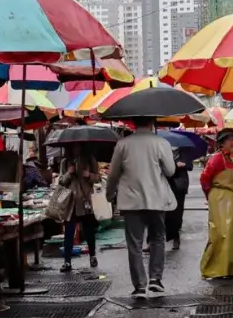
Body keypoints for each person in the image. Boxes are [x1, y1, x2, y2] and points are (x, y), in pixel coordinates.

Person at [106, 117, 176, 299]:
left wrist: (109, 194)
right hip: (156, 199)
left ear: (133, 123)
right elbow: (170, 171)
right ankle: (155, 279)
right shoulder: (162, 142)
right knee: (158, 239)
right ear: (152, 123)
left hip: (131, 201)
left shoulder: (123, 144)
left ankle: (139, 286)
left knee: (135, 244)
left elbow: (113, 174)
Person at [200, 129, 233, 279]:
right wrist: (210, 196)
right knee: (219, 233)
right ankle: (212, 268)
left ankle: (230, 269)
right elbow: (205, 178)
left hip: (232, 198)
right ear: (222, 143)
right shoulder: (216, 159)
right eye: (229, 140)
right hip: (219, 197)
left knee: (231, 234)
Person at [58, 144, 100, 272]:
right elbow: (61, 181)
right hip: (70, 202)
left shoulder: (89, 159)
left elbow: (98, 178)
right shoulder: (65, 162)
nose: (76, 148)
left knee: (88, 231)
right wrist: (68, 174)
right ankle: (67, 261)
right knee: (69, 232)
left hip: (84, 201)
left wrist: (88, 175)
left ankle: (92, 255)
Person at [165, 147, 192, 251]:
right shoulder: (163, 152)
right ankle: (152, 241)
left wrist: (184, 165)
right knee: (159, 212)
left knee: (176, 212)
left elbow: (190, 166)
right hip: (165, 184)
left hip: (179, 185)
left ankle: (175, 238)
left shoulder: (183, 152)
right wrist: (175, 166)